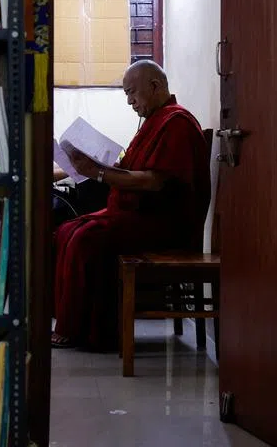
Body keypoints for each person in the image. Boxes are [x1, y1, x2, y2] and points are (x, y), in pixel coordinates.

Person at [51, 60, 210, 350]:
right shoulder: (153, 123)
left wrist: (98, 172)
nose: (129, 102)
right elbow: (126, 169)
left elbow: (154, 182)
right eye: (126, 94)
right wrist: (93, 165)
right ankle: (72, 322)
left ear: (155, 86)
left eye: (132, 93)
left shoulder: (177, 123)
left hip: (163, 224)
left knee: (86, 238)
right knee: (66, 230)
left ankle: (85, 331)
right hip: (137, 217)